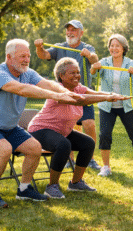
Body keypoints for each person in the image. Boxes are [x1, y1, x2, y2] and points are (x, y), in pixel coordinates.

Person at [0, 39, 79, 208]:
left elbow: (48, 84)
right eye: (22, 56)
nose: (27, 59)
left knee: (35, 148)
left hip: (10, 127)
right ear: (9, 57)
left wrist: (65, 92)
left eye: (28, 56)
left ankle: (24, 189)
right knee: (5, 149)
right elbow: (21, 89)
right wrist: (56, 96)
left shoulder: (27, 73)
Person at [28, 57, 131, 198]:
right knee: (64, 145)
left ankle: (75, 183)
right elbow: (80, 100)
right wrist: (107, 98)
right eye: (72, 73)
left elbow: (93, 94)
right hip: (41, 130)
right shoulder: (57, 90)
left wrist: (113, 95)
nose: (77, 75)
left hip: (62, 131)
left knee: (88, 143)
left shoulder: (79, 88)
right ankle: (52, 186)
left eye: (78, 72)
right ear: (61, 76)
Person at [34, 20, 101, 170]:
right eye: (68, 30)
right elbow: (44, 55)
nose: (70, 32)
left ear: (81, 33)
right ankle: (68, 159)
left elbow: (95, 60)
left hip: (83, 94)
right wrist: (39, 47)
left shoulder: (88, 47)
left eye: (74, 30)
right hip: (64, 95)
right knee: (66, 127)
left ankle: (90, 159)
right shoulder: (60, 47)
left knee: (89, 124)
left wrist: (89, 55)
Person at [90, 34, 133, 177]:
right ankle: (106, 167)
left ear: (123, 48)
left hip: (127, 105)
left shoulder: (130, 63)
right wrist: (94, 67)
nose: (114, 48)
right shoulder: (105, 61)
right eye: (112, 45)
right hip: (107, 106)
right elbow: (93, 74)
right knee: (105, 135)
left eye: (117, 45)